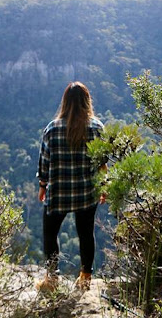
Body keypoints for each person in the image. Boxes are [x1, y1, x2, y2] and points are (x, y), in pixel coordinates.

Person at [36, 81, 106, 292]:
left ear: (65, 102)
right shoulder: (97, 128)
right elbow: (102, 163)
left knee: (50, 233)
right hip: (86, 192)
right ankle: (85, 278)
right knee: (86, 233)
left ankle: (52, 279)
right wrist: (104, 188)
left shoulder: (52, 128)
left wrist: (42, 185)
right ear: (87, 101)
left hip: (59, 192)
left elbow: (44, 162)